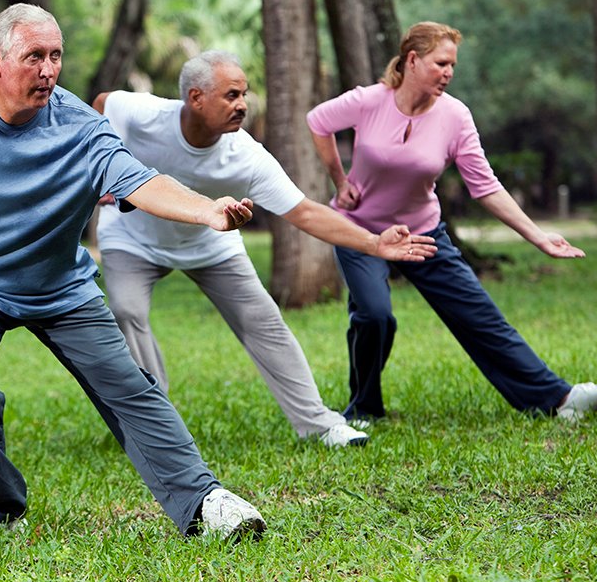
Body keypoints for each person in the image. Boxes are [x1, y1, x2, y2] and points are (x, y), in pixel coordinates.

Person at [0, 4, 267, 541]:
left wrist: (207, 210)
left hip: (58, 286)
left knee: (130, 387)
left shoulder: (81, 127)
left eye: (56, 56)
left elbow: (141, 180)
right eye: (34, 56)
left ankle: (204, 501)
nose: (48, 70)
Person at [91, 51, 438, 449]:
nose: (243, 105)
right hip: (132, 238)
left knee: (265, 322)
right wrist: (103, 169)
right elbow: (103, 103)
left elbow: (306, 213)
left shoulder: (246, 156)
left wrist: (375, 243)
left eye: (245, 94)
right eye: (231, 95)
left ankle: (320, 424)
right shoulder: (144, 113)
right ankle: (155, 426)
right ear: (195, 97)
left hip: (210, 243)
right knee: (127, 311)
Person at [305, 21, 597, 426]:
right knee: (374, 315)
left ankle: (561, 400)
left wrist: (538, 237)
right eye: (441, 63)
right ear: (413, 60)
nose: (449, 73)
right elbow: (318, 122)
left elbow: (485, 186)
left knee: (480, 317)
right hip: (360, 231)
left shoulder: (455, 116)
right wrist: (340, 180)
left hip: (423, 233)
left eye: (453, 65)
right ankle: (364, 408)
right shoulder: (369, 101)